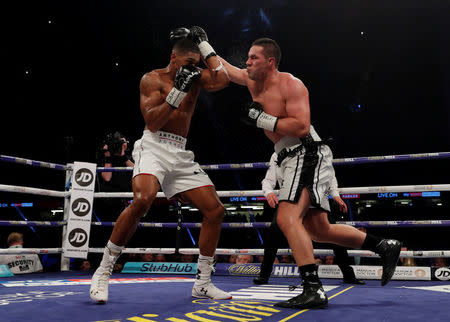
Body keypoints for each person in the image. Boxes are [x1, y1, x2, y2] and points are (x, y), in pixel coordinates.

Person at [219, 38, 401, 309]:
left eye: (253, 57)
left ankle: (313, 288)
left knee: (287, 216)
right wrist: (201, 45)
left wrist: (262, 119)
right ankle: (384, 245)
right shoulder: (252, 81)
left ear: (270, 61)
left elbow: (302, 127)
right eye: (247, 57)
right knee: (318, 229)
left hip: (306, 151)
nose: (247, 62)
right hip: (291, 156)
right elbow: (225, 69)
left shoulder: (291, 84)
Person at [90, 26, 231, 303]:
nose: (192, 69)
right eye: (187, 63)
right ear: (173, 58)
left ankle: (202, 283)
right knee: (144, 199)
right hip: (154, 146)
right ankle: (103, 271)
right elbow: (153, 121)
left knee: (215, 210)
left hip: (179, 151)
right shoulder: (151, 79)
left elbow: (223, 79)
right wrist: (178, 90)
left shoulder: (197, 77)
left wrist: (204, 44)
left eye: (196, 64)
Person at [253, 153, 364, 285]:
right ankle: (264, 275)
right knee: (273, 233)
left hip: (314, 199)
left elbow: (329, 175)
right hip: (289, 200)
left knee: (333, 234)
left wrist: (335, 195)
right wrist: (269, 192)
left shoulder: (314, 149)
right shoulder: (278, 153)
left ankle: (348, 274)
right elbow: (269, 179)